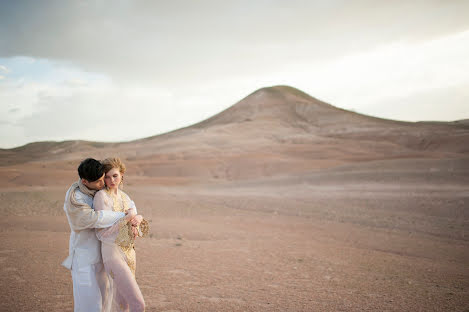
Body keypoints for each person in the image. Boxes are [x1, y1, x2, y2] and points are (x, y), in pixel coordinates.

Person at [62, 158, 135, 312]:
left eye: (104, 178)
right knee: (89, 305)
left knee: (105, 302)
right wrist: (123, 216)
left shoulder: (99, 191)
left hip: (102, 256)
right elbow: (93, 218)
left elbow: (128, 203)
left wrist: (134, 216)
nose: (103, 183)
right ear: (85, 181)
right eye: (99, 181)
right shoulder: (75, 197)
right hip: (84, 258)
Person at [94, 157, 148, 312]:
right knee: (139, 304)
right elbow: (101, 232)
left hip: (130, 253)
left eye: (115, 175)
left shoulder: (126, 197)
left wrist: (137, 218)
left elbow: (137, 221)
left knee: (124, 304)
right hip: (112, 253)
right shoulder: (101, 197)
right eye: (107, 177)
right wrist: (127, 218)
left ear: (122, 174)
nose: (111, 180)